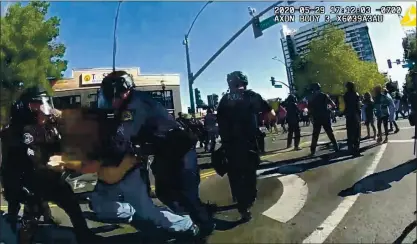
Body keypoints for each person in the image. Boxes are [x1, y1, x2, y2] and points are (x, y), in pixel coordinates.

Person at [67, 70, 213, 239]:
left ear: (123, 91)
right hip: (163, 153)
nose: (109, 101)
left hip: (181, 153)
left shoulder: (135, 106)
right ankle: (185, 219)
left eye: (111, 96)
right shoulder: (126, 105)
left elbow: (120, 139)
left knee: (186, 195)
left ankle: (203, 227)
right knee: (164, 192)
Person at [0, 87, 99, 243]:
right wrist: (15, 192)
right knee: (31, 213)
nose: (43, 109)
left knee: (70, 200)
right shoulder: (15, 131)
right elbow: (11, 165)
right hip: (25, 182)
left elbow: (62, 147)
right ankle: (22, 231)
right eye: (38, 104)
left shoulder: (49, 127)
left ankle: (83, 234)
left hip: (47, 178)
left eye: (44, 104)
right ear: (28, 106)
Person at [217, 71, 276, 221]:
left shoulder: (224, 99)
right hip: (248, 142)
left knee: (235, 175)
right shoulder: (251, 95)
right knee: (249, 174)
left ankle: (242, 204)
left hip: (230, 144)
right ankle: (247, 201)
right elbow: (271, 113)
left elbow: (220, 124)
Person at [308, 83, 339, 155]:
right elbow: (333, 105)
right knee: (330, 132)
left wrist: (311, 117)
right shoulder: (324, 95)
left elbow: (309, 110)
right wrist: (328, 109)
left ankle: (312, 150)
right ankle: (336, 147)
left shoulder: (311, 97)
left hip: (316, 117)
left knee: (315, 134)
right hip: (325, 116)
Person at [343, 82, 362, 155]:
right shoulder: (356, 94)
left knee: (350, 132)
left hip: (349, 115)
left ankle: (350, 147)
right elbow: (357, 105)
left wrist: (343, 112)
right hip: (355, 114)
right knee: (357, 132)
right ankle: (356, 148)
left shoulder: (346, 95)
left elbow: (346, 106)